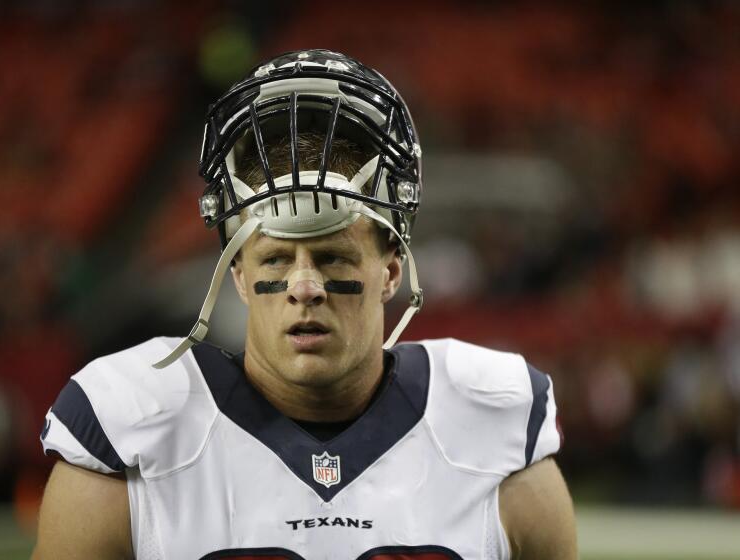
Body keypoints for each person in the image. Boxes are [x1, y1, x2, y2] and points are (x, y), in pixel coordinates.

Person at [32, 49, 577, 559]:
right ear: (240, 276)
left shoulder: (494, 434)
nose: (304, 286)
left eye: (334, 257)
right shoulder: (131, 437)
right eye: (274, 260)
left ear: (391, 271)